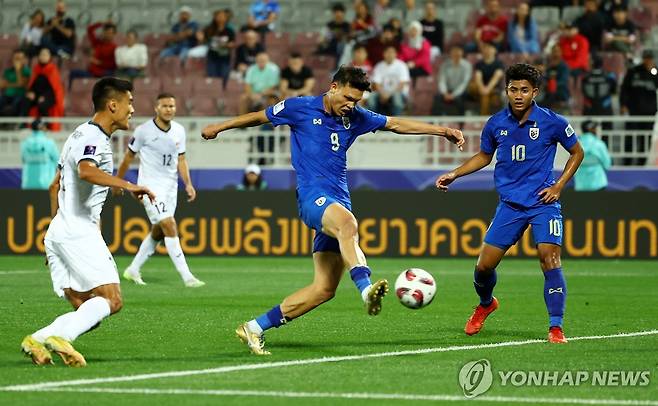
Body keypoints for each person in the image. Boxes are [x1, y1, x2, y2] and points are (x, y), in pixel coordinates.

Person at [202, 66, 464, 355]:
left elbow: (396, 124)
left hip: (339, 200)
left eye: (357, 101)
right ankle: (366, 290)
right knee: (348, 225)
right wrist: (219, 127)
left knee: (324, 289)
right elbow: (258, 117)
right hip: (313, 197)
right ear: (334, 86)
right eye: (349, 97)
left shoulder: (355, 117)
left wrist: (443, 131)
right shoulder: (299, 107)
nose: (351, 105)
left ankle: (254, 328)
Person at [436, 63, 584, 344]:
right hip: (510, 205)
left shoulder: (553, 121)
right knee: (483, 268)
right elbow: (484, 156)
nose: (518, 95)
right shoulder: (495, 124)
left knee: (549, 258)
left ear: (535, 92)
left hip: (543, 202)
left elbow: (577, 152)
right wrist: (454, 174)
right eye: (513, 89)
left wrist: (558, 185)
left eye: (524, 90)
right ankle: (486, 303)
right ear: (506, 90)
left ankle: (556, 328)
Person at [21, 77, 154, 367]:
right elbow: (86, 172)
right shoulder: (93, 137)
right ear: (113, 104)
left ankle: (37, 339)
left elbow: (54, 185)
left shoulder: (78, 134)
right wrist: (129, 185)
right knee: (112, 300)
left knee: (85, 306)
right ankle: (61, 338)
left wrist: (56, 233)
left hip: (62, 230)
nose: (133, 109)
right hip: (77, 232)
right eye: (129, 102)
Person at [115, 93, 204, 288]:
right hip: (150, 187)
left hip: (170, 188)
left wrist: (188, 183)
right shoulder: (143, 131)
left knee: (159, 231)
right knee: (170, 224)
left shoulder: (179, 131)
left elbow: (181, 159)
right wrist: (118, 183)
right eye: (164, 106)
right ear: (156, 108)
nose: (169, 109)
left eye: (172, 106)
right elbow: (128, 158)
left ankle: (133, 269)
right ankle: (187, 277)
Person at [620, 50, 658, 166]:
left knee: (644, 140)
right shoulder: (633, 71)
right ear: (643, 58)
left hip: (649, 113)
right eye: (646, 58)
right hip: (634, 112)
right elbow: (624, 89)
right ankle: (627, 163)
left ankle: (641, 164)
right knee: (630, 138)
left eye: (650, 58)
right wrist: (623, 105)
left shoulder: (656, 73)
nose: (648, 61)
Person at [19, 48, 65, 130]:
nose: (43, 57)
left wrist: (44, 96)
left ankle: (45, 125)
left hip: (49, 96)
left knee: (42, 105)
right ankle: (24, 125)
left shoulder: (53, 69)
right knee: (25, 100)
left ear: (49, 57)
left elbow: (54, 88)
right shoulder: (36, 68)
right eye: (41, 54)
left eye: (45, 55)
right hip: (36, 95)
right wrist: (31, 92)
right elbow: (32, 84)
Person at [68, 22, 118, 87]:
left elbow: (113, 64)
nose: (108, 35)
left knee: (111, 75)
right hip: (92, 72)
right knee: (73, 73)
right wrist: (102, 23)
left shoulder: (114, 47)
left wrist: (98, 62)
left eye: (110, 33)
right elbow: (90, 29)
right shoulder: (97, 42)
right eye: (106, 32)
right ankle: (69, 93)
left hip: (104, 73)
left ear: (114, 34)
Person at [368, 46, 411, 116]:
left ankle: (397, 121)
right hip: (382, 93)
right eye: (388, 52)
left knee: (396, 97)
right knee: (372, 97)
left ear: (396, 54)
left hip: (399, 92)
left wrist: (389, 94)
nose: (390, 54)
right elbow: (376, 84)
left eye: (392, 52)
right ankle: (373, 121)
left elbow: (402, 84)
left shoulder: (402, 65)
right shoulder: (379, 66)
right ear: (384, 54)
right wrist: (383, 94)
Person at [433, 45, 472, 116]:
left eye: (458, 54)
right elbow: (442, 80)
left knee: (460, 99)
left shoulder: (467, 65)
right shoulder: (445, 65)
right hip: (447, 91)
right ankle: (435, 123)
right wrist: (444, 93)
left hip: (461, 91)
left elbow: (464, 83)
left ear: (462, 54)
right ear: (451, 54)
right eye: (454, 54)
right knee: (437, 98)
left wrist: (454, 95)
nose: (456, 56)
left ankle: (461, 123)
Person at [21, 119, 59, 190]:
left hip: (27, 184)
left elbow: (23, 159)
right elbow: (58, 162)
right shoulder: (49, 143)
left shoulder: (25, 143)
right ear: (43, 128)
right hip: (46, 185)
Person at [574, 120, 611, 191]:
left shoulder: (576, 144)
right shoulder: (599, 144)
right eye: (595, 128)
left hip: (581, 183)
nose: (596, 130)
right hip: (598, 182)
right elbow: (607, 163)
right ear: (591, 129)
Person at [470, 41, 505, 115]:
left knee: (485, 96)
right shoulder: (479, 64)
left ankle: (483, 117)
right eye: (485, 48)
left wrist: (487, 89)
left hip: (494, 89)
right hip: (480, 89)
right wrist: (482, 89)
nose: (487, 50)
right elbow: (478, 77)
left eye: (490, 48)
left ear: (495, 50)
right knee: (472, 86)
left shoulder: (499, 64)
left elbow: (496, 77)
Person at [202, 9, 235, 85]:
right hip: (212, 57)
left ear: (226, 18)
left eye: (222, 16)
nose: (220, 18)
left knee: (224, 77)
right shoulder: (209, 29)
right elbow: (204, 40)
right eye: (218, 16)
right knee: (212, 78)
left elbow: (233, 43)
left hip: (224, 58)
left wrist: (226, 45)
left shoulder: (229, 31)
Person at [0, 50, 30, 117]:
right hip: (7, 95)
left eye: (19, 59)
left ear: (24, 60)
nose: (17, 61)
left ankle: (18, 124)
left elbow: (22, 84)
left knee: (17, 103)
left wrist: (18, 71)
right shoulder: (8, 71)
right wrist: (14, 85)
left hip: (20, 95)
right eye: (15, 58)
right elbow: (2, 85)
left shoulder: (27, 71)